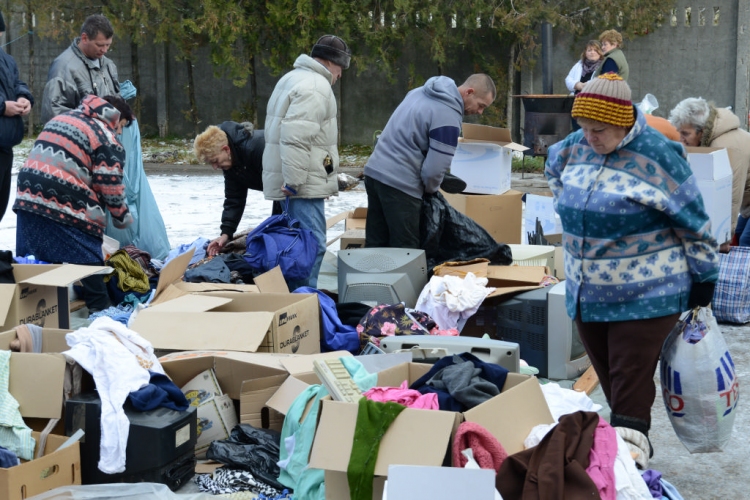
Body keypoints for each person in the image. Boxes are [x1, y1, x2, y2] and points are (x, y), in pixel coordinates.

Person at [545, 73, 719, 469]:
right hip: (587, 294)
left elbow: (695, 221)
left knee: (629, 389)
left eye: (599, 130)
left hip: (647, 293)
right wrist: (571, 208)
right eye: (584, 128)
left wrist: (704, 280)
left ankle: (629, 471)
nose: (590, 137)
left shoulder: (658, 154)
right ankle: (619, 458)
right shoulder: (576, 146)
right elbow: (553, 169)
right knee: (612, 384)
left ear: (624, 121)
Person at [13, 95, 134, 313]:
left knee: (32, 267)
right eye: (121, 127)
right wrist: (122, 217)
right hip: (66, 201)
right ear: (116, 118)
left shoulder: (63, 118)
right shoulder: (105, 136)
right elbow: (110, 184)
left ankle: (27, 317)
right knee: (88, 261)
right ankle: (103, 316)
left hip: (27, 196)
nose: (119, 133)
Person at [363, 74, 496, 249]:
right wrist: (431, 191)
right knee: (405, 251)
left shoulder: (419, 92)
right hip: (400, 184)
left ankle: (369, 276)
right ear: (469, 92)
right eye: (481, 106)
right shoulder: (448, 116)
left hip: (374, 173)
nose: (480, 112)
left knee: (376, 243)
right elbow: (433, 171)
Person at [263, 35, 351, 289]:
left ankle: (288, 302)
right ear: (330, 63)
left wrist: (326, 178)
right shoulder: (316, 86)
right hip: (299, 184)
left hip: (295, 178)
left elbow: (314, 141)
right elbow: (296, 137)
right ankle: (302, 308)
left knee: (290, 247)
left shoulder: (291, 78)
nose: (340, 75)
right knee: (310, 249)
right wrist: (294, 181)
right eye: (340, 68)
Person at [669, 97, 750, 248]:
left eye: (685, 134)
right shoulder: (713, 138)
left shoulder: (726, 145)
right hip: (746, 205)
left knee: (745, 242)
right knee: (739, 235)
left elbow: (730, 195)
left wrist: (725, 238)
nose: (681, 140)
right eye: (679, 133)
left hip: (742, 200)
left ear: (702, 130)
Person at [194, 122, 281, 256]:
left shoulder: (257, 147)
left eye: (215, 160)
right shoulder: (230, 165)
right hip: (279, 190)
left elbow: (280, 189)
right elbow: (234, 199)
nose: (215, 167)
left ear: (226, 149)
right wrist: (226, 234)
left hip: (297, 184)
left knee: (285, 232)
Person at [41, 14, 119, 123]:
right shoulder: (63, 67)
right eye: (100, 45)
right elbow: (54, 113)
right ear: (84, 38)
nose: (104, 50)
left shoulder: (108, 64)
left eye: (108, 45)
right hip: (79, 137)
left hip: (106, 136)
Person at [0, 11, 33, 223]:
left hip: (5, 143)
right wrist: (2, 107)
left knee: (1, 204)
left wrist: (23, 97)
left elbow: (17, 83)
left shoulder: (7, 60)